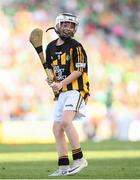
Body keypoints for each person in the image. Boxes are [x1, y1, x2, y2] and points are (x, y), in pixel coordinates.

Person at [45, 13, 90, 176]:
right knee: (56, 128)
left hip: (76, 90)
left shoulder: (76, 46)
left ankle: (79, 159)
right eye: (65, 25)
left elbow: (79, 70)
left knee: (65, 122)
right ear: (58, 25)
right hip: (63, 93)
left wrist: (61, 83)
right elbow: (53, 73)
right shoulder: (50, 47)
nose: (68, 28)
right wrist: (51, 81)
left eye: (71, 26)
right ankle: (63, 166)